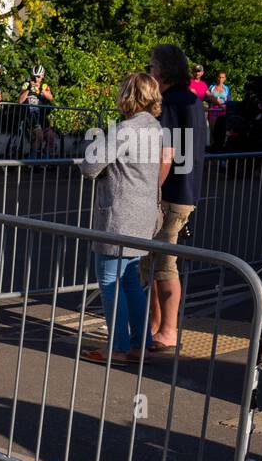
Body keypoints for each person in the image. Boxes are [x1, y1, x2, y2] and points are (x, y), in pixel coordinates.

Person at [78, 73, 165, 364]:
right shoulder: (155, 127)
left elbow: (91, 167)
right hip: (143, 216)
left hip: (118, 215)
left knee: (109, 282)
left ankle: (116, 347)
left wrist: (99, 141)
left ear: (128, 95)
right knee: (129, 280)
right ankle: (141, 343)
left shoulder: (124, 129)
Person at [145, 43, 206, 353]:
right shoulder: (192, 99)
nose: (150, 71)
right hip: (185, 189)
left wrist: (151, 189)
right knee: (155, 261)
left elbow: (166, 154)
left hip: (172, 193)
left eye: (153, 66)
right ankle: (156, 326)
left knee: (164, 262)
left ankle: (166, 329)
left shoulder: (170, 101)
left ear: (165, 70)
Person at [17, 66, 55, 156]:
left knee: (51, 136)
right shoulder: (26, 84)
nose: (35, 78)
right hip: (30, 117)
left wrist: (42, 91)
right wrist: (29, 89)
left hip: (42, 117)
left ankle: (46, 157)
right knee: (38, 135)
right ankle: (34, 159)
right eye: (33, 76)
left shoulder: (44, 86)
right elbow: (20, 101)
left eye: (38, 76)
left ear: (42, 76)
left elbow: (51, 98)